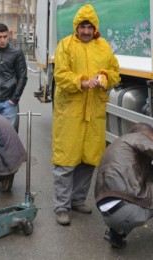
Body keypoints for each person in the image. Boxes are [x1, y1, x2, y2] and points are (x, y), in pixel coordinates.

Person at [52, 4, 121, 226]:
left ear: (95, 27)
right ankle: (61, 207)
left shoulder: (103, 47)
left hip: (95, 113)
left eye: (90, 27)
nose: (86, 31)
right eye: (82, 26)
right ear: (76, 27)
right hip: (70, 112)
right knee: (66, 161)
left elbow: (115, 72)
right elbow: (60, 75)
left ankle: (77, 200)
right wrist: (81, 81)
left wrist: (104, 77)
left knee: (88, 160)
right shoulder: (65, 45)